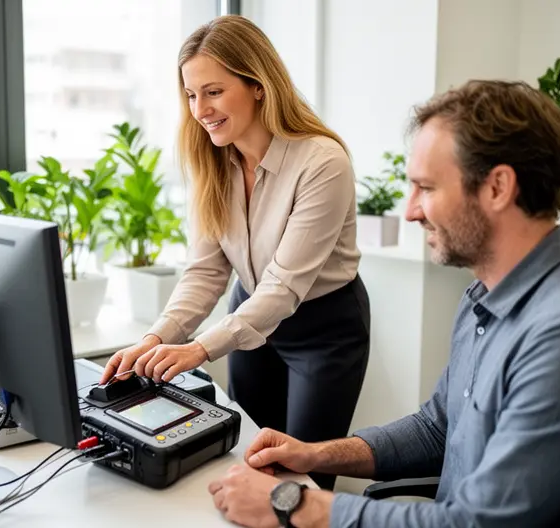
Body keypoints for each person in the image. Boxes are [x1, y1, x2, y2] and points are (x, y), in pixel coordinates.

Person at [206, 79, 560, 527]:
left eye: (427, 188)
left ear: (498, 187)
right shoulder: (485, 297)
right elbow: (437, 429)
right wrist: (314, 454)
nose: (411, 211)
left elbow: (478, 523)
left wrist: (294, 504)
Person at [99, 15, 371, 490]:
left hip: (323, 330)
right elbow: (205, 272)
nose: (200, 109)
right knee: (249, 464)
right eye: (190, 95)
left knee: (298, 483)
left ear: (258, 85)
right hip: (249, 321)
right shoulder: (213, 161)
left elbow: (284, 287)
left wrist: (200, 348)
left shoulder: (322, 161)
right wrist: (156, 338)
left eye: (214, 91)